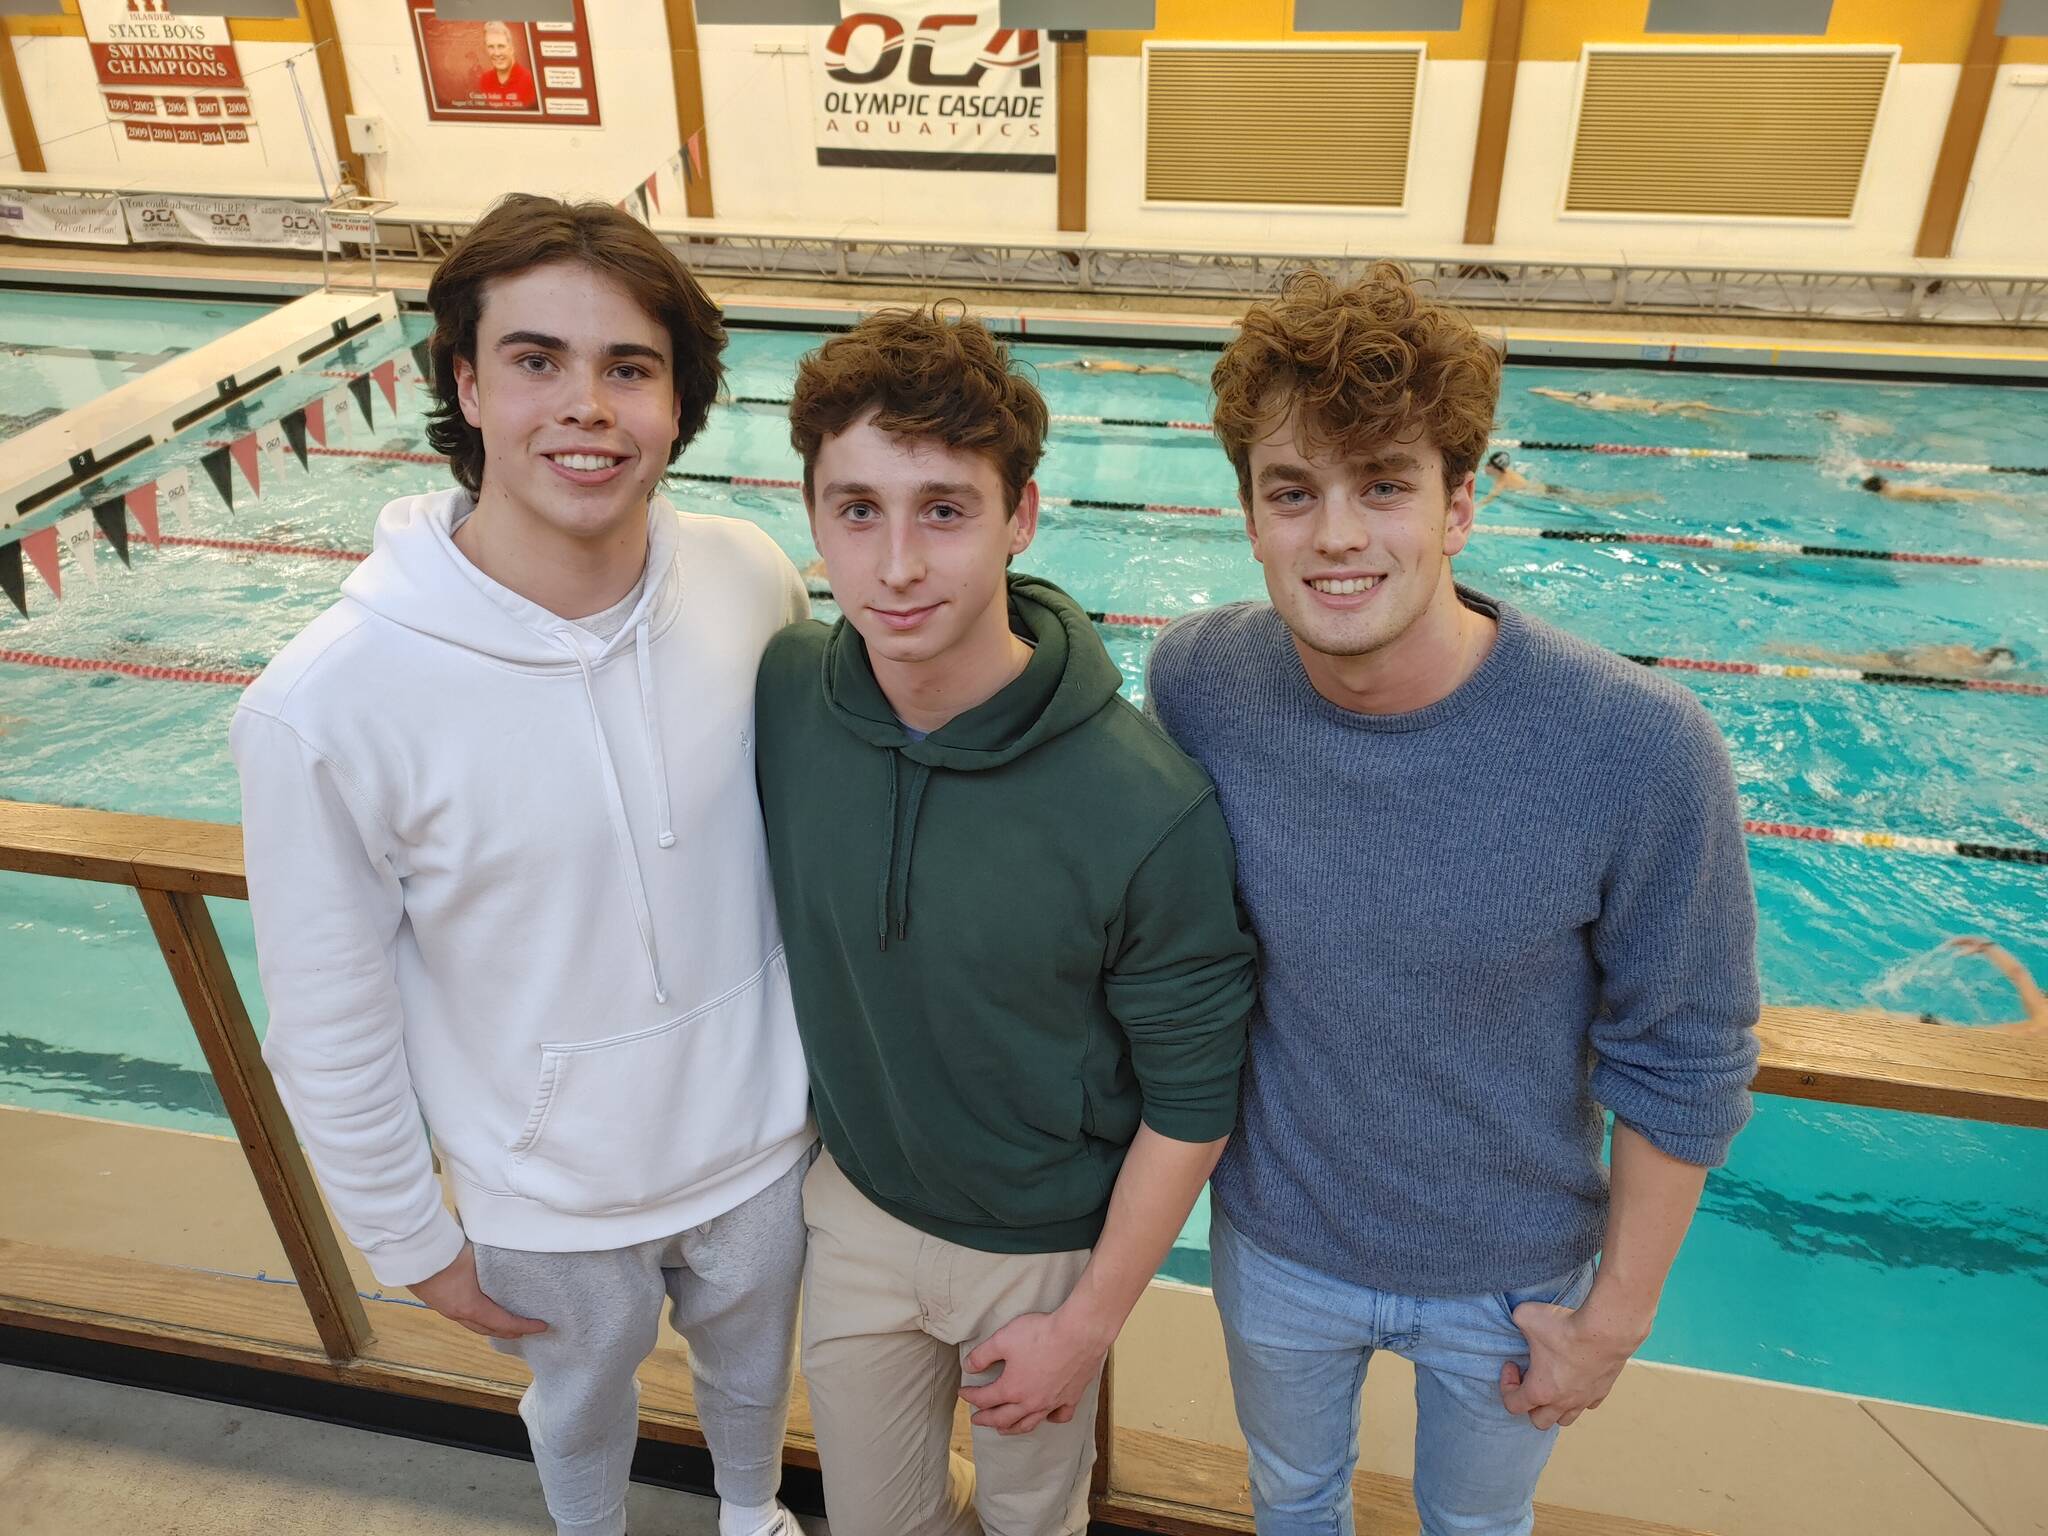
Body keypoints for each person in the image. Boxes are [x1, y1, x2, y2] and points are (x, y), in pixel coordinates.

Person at [1148, 265, 1761, 1536]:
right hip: (1274, 1241)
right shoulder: (1199, 683)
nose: (1335, 536)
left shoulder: (1636, 747)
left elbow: (1686, 1046)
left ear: (1458, 506)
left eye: (1383, 485)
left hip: (1510, 1277)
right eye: (1292, 492)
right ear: (1249, 517)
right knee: (1291, 1506)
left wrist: (1613, 1319)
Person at [232, 195, 813, 1536]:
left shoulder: (746, 578)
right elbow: (327, 1013)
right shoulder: (328, 701)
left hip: (760, 1143)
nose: (586, 407)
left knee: (750, 1378)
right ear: (465, 385)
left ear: (680, 401)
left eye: (630, 367)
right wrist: (409, 1239)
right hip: (547, 1190)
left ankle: (747, 1513)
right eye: (538, 360)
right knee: (575, 1405)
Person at [754, 303, 1258, 1536]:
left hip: (1039, 1257)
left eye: (944, 509)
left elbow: (1193, 1102)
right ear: (811, 516)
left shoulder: (1142, 803)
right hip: (854, 1207)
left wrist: (1084, 1322)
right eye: (856, 511)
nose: (897, 566)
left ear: (1019, 516)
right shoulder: (782, 698)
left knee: (1036, 1526)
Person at [1476, 449, 1660, 510]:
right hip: (1551, 488)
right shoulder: (1508, 473)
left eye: (1488, 465)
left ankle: (1643, 496)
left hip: (1550, 495)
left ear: (1494, 468)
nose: (1485, 468)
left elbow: (1489, 499)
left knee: (1599, 503)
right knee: (1595, 499)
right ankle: (1644, 495)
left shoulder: (1501, 482)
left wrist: (1476, 507)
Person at [1771, 641, 2023, 679]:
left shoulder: (1963, 650)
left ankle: (1791, 649)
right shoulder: (1970, 669)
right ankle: (1790, 650)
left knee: (1838, 657)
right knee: (1835, 659)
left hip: (1904, 658)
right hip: (1902, 664)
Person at [1531, 384, 1758, 419]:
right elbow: (1566, 395)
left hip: (1653, 409)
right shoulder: (1603, 399)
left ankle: (1737, 412)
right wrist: (1545, 391)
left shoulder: (1599, 404)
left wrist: (1545, 392)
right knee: (1694, 410)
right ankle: (1733, 414)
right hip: (1652, 406)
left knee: (1696, 406)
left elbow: (1567, 397)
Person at [475, 20, 539, 110]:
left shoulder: (531, 81)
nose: (496, 53)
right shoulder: (484, 81)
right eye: (491, 47)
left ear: (512, 48)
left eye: (501, 46)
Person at [1858, 473, 2024, 507]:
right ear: (1883, 484)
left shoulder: (1887, 495)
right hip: (1941, 496)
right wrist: (1943, 491)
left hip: (1936, 498)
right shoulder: (1897, 491)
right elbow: (1923, 494)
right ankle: (2011, 501)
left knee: (1982, 497)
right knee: (1984, 495)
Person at [1036, 355, 1205, 383]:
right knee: (1171, 371)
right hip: (1136, 369)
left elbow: (1067, 365)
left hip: (1137, 370)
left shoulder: (1097, 368)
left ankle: (1183, 375)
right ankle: (1182, 375)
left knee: (1171, 371)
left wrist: (1048, 366)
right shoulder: (1100, 365)